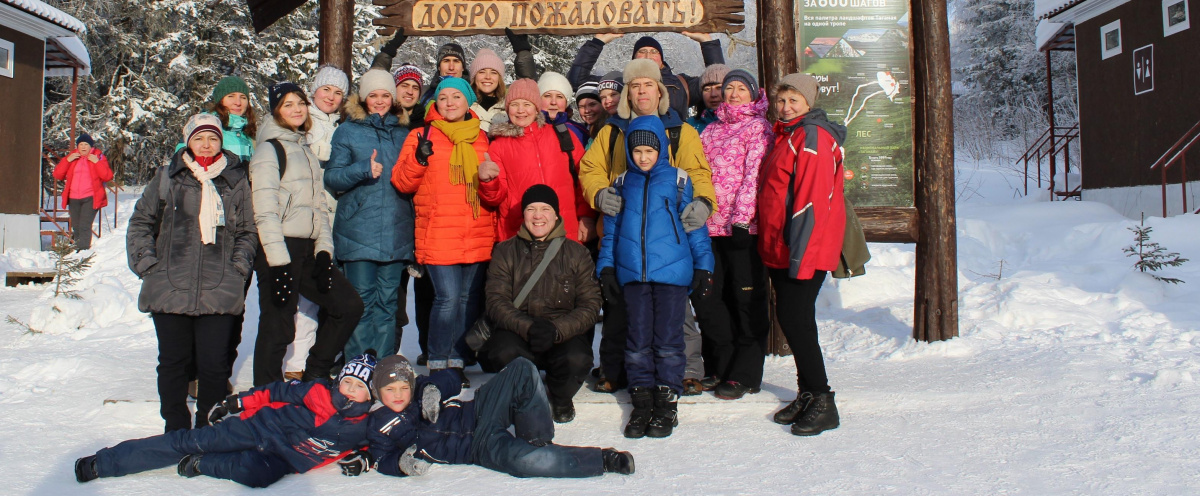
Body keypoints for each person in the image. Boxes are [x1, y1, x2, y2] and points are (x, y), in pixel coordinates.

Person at [579, 58, 715, 396]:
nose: (642, 91)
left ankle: (686, 370)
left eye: (648, 85)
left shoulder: (679, 130)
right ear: (627, 93)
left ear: (660, 92)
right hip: (623, 233)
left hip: (669, 237)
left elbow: (697, 173)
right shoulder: (612, 131)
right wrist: (598, 194)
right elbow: (589, 167)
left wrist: (703, 202)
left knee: (676, 310)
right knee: (619, 309)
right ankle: (614, 370)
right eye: (635, 86)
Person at [125, 114, 257, 432]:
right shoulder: (167, 178)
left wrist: (237, 269)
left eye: (212, 138)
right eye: (199, 138)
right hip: (170, 286)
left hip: (218, 286)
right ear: (188, 141)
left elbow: (248, 231)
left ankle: (207, 429)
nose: (206, 144)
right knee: (173, 362)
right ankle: (175, 428)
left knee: (214, 365)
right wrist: (148, 265)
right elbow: (141, 222)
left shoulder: (236, 180)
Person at [74, 354, 378, 488]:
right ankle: (105, 463)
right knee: (188, 440)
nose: (350, 391)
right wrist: (237, 402)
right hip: (256, 428)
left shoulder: (364, 426)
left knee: (256, 475)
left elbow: (380, 444)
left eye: (359, 387)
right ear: (339, 381)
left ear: (370, 396)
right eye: (348, 382)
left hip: (282, 458)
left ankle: (201, 464)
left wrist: (364, 458)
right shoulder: (316, 391)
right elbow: (275, 390)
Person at [596, 115, 714, 439]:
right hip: (633, 274)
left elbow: (695, 227)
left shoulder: (678, 180)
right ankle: (642, 399)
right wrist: (606, 268)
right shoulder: (621, 184)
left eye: (649, 151)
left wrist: (704, 265)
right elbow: (612, 232)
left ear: (661, 148)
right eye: (637, 152)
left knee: (668, 339)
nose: (643, 157)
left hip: (672, 274)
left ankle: (667, 400)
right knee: (637, 340)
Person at [250, 82, 363, 386]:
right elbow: (264, 211)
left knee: (348, 305)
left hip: (310, 249)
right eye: (287, 104)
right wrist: (278, 263)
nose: (297, 109)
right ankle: (265, 398)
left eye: (299, 102)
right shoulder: (269, 149)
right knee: (278, 326)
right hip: (281, 248)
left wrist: (324, 251)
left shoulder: (304, 149)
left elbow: (318, 207)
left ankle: (316, 371)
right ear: (276, 111)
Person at [360, 355, 635, 479]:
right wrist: (402, 465)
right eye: (390, 390)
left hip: (479, 410)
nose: (398, 395)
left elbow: (452, 379)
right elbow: (382, 458)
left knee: (523, 368)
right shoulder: (378, 424)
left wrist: (433, 388)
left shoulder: (418, 389)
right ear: (378, 392)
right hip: (479, 446)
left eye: (403, 388)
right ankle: (602, 459)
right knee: (524, 461)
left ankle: (538, 441)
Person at [757, 73, 846, 436]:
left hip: (803, 247)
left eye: (794, 100)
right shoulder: (788, 134)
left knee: (797, 320)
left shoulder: (811, 137)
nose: (785, 106)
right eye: (781, 100)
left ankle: (823, 400)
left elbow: (811, 200)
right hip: (784, 246)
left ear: (809, 103)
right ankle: (807, 392)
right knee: (794, 319)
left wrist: (801, 255)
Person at [391, 77, 495, 388]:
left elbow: (491, 186)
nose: (450, 103)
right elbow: (402, 182)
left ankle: (457, 361)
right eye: (443, 97)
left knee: (467, 300)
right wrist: (419, 158)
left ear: (468, 103)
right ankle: (438, 363)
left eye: (456, 97)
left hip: (475, 230)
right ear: (435, 102)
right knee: (447, 299)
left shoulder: (481, 137)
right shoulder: (420, 135)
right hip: (438, 231)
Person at [477, 185, 601, 423]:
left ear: (556, 215)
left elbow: (590, 304)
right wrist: (528, 327)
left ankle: (561, 397)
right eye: (531, 209)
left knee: (577, 358)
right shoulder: (505, 251)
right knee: (501, 352)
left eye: (545, 209)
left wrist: (557, 330)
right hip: (519, 330)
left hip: (561, 331)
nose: (538, 216)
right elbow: (496, 301)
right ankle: (523, 396)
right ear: (523, 214)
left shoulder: (576, 253)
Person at [324, 68, 416, 361]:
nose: (379, 101)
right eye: (373, 95)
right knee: (361, 302)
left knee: (388, 304)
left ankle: (384, 369)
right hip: (357, 231)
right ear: (363, 99)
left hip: (395, 229)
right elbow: (333, 178)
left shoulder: (405, 134)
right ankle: (357, 369)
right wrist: (361, 169)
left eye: (385, 95)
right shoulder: (348, 130)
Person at [696, 69, 772, 399]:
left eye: (742, 88)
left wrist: (742, 220)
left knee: (746, 300)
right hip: (710, 229)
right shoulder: (710, 130)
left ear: (753, 94)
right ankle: (720, 365)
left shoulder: (759, 128)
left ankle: (746, 373)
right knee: (711, 300)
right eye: (730, 88)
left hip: (743, 229)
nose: (734, 93)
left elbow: (754, 177)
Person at [286, 64, 350, 381]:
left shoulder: (343, 123)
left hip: (337, 219)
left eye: (338, 93)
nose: (331, 97)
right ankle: (296, 363)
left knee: (332, 293)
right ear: (314, 91)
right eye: (327, 89)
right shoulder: (302, 120)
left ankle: (326, 358)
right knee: (308, 297)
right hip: (308, 217)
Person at [479, 78, 594, 244]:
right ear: (507, 108)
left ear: (536, 107)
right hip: (520, 232)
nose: (520, 111)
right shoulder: (498, 145)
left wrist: (586, 216)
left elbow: (584, 179)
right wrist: (489, 182)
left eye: (526, 104)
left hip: (564, 229)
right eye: (514, 104)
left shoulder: (562, 135)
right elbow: (496, 197)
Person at [567, 33, 725, 119]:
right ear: (634, 58)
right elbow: (577, 81)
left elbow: (719, 82)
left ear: (661, 60)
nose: (648, 55)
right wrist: (597, 42)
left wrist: (707, 41)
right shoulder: (621, 83)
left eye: (654, 52)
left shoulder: (682, 83)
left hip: (674, 153)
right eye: (642, 52)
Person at [53, 133, 113, 250]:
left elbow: (107, 176)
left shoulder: (98, 157)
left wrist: (97, 162)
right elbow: (57, 174)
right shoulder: (73, 157)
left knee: (84, 225)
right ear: (77, 146)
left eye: (86, 144)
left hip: (91, 197)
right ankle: (77, 250)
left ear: (91, 147)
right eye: (81, 144)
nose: (83, 147)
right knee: (76, 226)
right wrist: (67, 160)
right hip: (73, 197)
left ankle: (83, 251)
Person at [469, 30, 537, 132]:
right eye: (482, 72)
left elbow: (528, 84)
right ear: (474, 77)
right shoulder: (464, 105)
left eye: (494, 72)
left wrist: (523, 52)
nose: (488, 77)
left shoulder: (511, 105)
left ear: (500, 78)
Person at [538, 71, 588, 144]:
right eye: (547, 96)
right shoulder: (528, 129)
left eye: (559, 97)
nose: (553, 102)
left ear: (566, 102)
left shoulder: (580, 132)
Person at [687, 64, 730, 134]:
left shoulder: (744, 125)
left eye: (719, 88)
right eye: (707, 89)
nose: (713, 94)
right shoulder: (690, 126)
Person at [575, 80, 607, 145]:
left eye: (592, 104)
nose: (587, 110)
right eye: (582, 106)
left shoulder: (610, 131)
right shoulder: (579, 131)